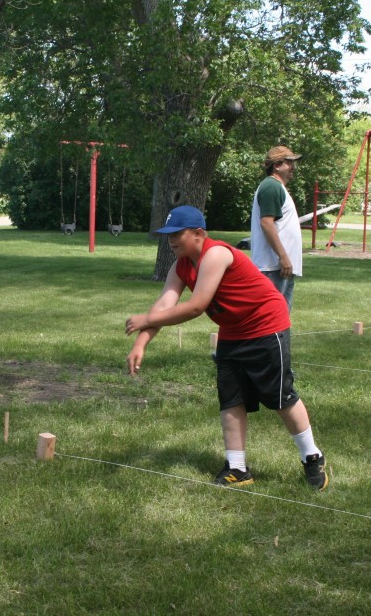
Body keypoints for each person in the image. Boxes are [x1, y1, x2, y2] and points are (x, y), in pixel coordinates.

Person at [125, 205, 328, 490]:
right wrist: (141, 342)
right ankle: (237, 468)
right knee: (231, 397)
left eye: (177, 234)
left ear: (198, 234)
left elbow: (196, 306)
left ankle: (312, 456)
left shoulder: (216, 254)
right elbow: (164, 305)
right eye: (167, 235)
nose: (170, 240)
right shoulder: (180, 266)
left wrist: (145, 320)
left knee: (279, 395)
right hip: (232, 332)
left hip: (265, 325)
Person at [251, 146, 303, 312]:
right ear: (277, 165)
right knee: (271, 318)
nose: (293, 167)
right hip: (273, 267)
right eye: (289, 162)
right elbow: (266, 223)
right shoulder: (271, 187)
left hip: (280, 268)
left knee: (281, 319)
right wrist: (283, 257)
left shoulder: (277, 187)